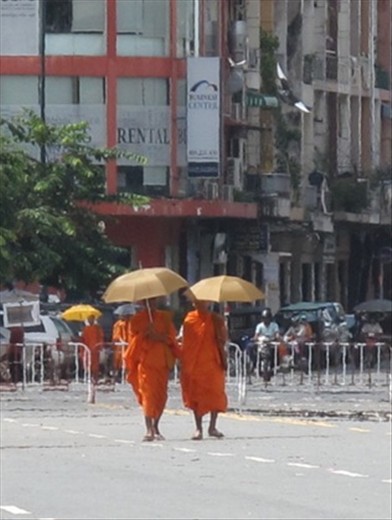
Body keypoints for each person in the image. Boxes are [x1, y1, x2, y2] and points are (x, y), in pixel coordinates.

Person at [123, 298, 179, 442]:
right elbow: (132, 343)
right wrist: (144, 334)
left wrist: (159, 337)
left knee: (161, 396)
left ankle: (156, 426)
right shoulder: (137, 320)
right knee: (148, 396)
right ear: (143, 303)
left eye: (154, 301)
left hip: (162, 363)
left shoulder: (164, 318)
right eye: (148, 302)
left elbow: (172, 339)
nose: (152, 304)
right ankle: (148, 429)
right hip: (146, 364)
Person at [179, 299, 228, 440]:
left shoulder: (215, 319)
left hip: (213, 362)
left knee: (215, 393)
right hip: (194, 363)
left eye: (205, 302)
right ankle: (198, 428)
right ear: (193, 304)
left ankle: (212, 427)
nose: (202, 304)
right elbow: (187, 341)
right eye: (198, 302)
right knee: (196, 396)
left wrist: (222, 326)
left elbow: (223, 339)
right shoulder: (189, 319)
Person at [80, 314, 105, 384]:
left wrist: (100, 346)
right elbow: (83, 339)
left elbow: (101, 337)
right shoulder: (85, 329)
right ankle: (89, 377)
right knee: (88, 364)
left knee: (95, 365)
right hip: (87, 350)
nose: (90, 320)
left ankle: (95, 378)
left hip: (95, 350)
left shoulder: (97, 328)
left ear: (94, 319)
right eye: (89, 319)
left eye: (91, 319)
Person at [111, 310, 133, 381]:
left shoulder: (128, 323)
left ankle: (126, 376)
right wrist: (121, 341)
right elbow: (117, 335)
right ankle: (115, 376)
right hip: (119, 346)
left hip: (126, 345)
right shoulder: (118, 324)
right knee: (117, 361)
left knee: (126, 360)